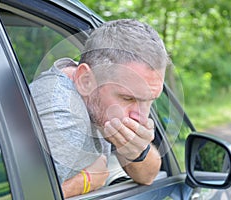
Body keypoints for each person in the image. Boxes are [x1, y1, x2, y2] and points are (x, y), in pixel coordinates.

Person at [30, 19, 170, 198]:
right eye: (128, 98)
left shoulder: (97, 98)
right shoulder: (62, 113)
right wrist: (85, 181)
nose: (142, 118)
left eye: (150, 100)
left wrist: (137, 150)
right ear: (85, 80)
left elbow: (148, 176)